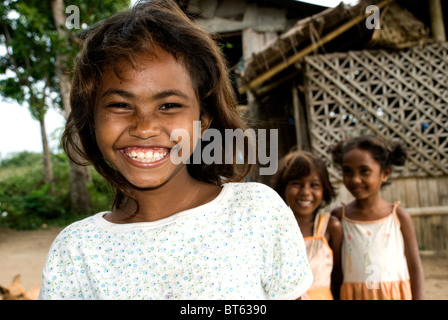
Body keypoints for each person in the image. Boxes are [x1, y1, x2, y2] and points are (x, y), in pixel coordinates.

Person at [38, 0, 312, 300]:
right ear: (91, 119)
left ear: (203, 119)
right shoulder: (77, 252)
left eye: (169, 106)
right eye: (120, 105)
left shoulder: (256, 213)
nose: (144, 127)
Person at [330, 134, 425, 300]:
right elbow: (336, 269)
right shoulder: (339, 217)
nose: (355, 179)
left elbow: (415, 267)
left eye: (364, 171)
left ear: (385, 173)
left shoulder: (399, 217)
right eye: (347, 171)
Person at [271, 150, 342, 300]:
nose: (305, 192)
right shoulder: (273, 228)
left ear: (325, 189)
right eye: (296, 184)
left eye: (314, 185)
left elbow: (338, 276)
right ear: (283, 188)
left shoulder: (330, 227)